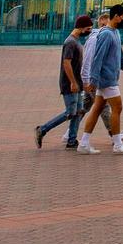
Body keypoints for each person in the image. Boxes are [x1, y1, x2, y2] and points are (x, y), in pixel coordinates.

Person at [78, 4, 123, 155]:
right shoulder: (106, 34)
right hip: (107, 79)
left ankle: (84, 143)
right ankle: (118, 144)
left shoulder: (115, 33)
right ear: (116, 16)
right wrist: (93, 79)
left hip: (108, 78)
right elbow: (98, 58)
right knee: (117, 108)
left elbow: (120, 57)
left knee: (97, 108)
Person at [35, 15, 94, 149]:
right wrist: (73, 82)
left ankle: (72, 140)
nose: (89, 31)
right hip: (69, 84)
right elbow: (66, 63)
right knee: (70, 112)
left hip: (77, 83)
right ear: (82, 27)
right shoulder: (70, 42)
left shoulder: (76, 41)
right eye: (88, 29)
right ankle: (43, 129)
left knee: (78, 111)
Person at [79, 11, 119, 145]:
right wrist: (88, 80)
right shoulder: (96, 37)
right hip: (95, 80)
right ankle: (115, 137)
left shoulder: (110, 34)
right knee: (105, 108)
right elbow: (90, 60)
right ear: (102, 21)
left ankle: (70, 135)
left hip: (96, 79)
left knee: (83, 108)